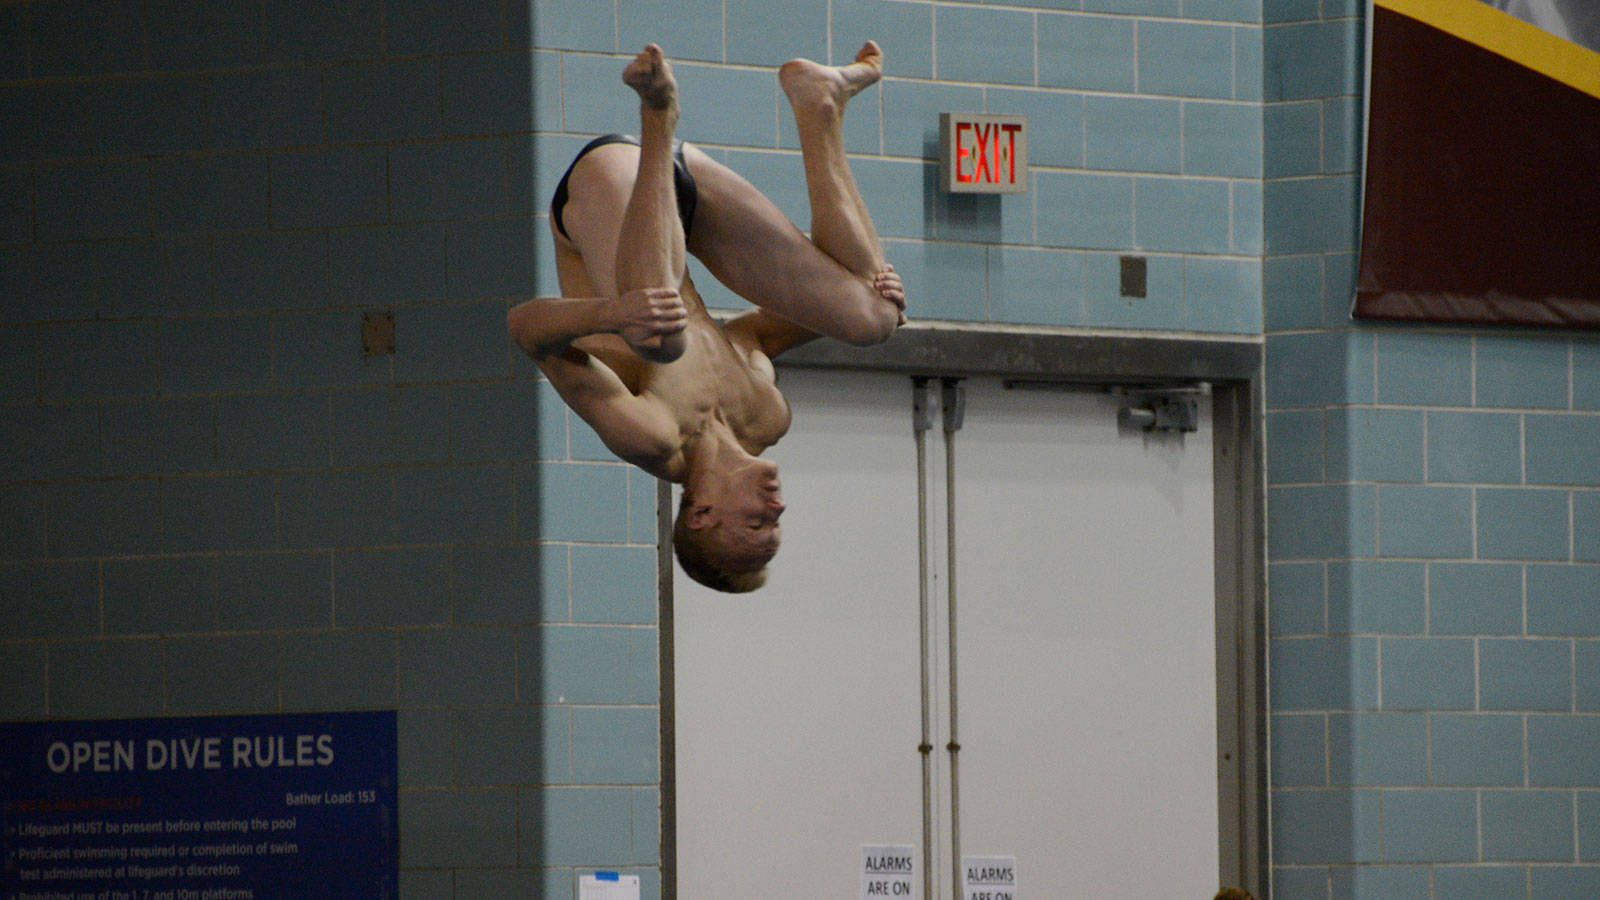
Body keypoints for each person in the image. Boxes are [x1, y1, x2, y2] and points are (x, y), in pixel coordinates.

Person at [507, 42, 906, 592]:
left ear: (700, 514)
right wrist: (867, 297)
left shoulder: (650, 436)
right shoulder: (766, 417)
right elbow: (756, 331)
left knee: (656, 336)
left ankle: (658, 112)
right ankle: (820, 103)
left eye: (757, 523)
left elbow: (525, 330)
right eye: (777, 523)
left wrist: (611, 312)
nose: (777, 506)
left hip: (607, 184)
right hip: (687, 187)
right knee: (872, 320)